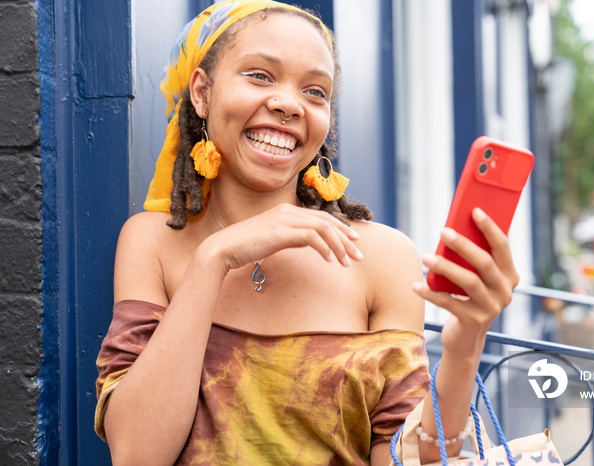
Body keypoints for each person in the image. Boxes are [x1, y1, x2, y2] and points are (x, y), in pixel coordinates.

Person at [94, 1, 519, 465]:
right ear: (201, 92)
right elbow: (137, 453)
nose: (289, 104)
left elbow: (402, 458)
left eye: (315, 91)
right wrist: (214, 259)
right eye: (259, 75)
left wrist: (464, 347)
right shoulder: (152, 242)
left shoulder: (380, 257)